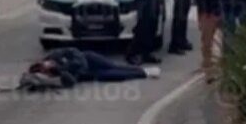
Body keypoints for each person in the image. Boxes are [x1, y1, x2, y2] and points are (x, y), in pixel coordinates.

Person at [17, 47, 161, 91]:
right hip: (89, 73)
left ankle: (145, 70)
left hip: (89, 59)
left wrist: (65, 64)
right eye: (44, 71)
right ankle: (145, 73)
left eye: (44, 66)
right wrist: (60, 70)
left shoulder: (55, 55)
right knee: (115, 75)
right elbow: (71, 82)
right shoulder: (57, 73)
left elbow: (74, 52)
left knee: (114, 67)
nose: (47, 68)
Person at [192, 0, 221, 83]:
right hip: (207, 10)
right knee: (207, 42)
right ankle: (208, 69)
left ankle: (211, 67)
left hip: (217, 9)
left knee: (213, 42)